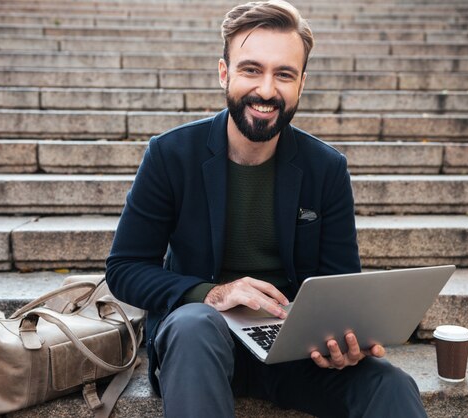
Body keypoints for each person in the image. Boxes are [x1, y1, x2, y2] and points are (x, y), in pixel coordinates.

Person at [106, 1, 427, 416]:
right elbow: (125, 267)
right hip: (198, 346)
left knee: (392, 385)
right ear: (225, 73)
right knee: (192, 323)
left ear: (301, 84)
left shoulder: (326, 168)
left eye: (284, 74)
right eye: (251, 69)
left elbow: (338, 282)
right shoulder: (170, 155)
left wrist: (344, 340)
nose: (266, 90)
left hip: (296, 351)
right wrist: (213, 293)